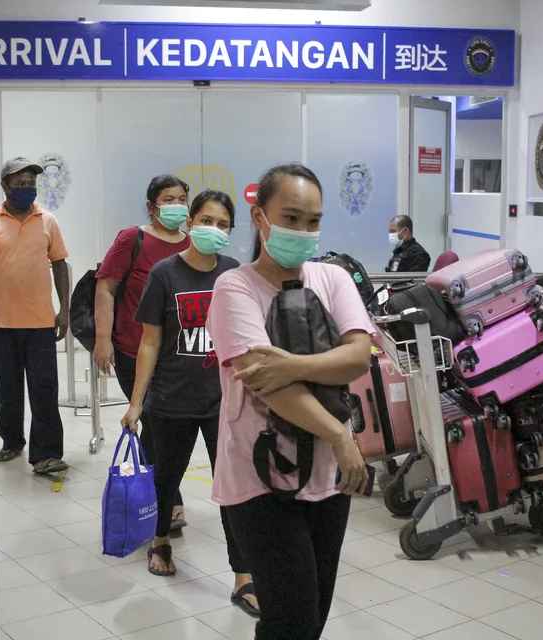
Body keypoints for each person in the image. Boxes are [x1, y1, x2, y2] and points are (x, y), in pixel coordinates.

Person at [206, 163, 374, 640]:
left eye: (313, 220)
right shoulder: (235, 287)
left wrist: (295, 364)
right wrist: (340, 433)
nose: (303, 231)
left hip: (328, 476)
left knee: (313, 615)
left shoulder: (333, 279)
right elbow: (268, 385)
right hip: (259, 478)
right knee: (290, 619)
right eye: (292, 217)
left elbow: (359, 356)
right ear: (260, 219)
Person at [119, 190, 259, 617]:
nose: (213, 229)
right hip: (171, 400)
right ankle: (160, 540)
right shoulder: (164, 273)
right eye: (206, 220)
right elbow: (150, 341)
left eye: (222, 223)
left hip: (223, 402)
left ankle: (243, 575)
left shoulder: (234, 273)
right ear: (190, 223)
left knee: (235, 489)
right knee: (167, 479)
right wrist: (136, 403)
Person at [93, 175, 190, 530]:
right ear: (151, 206)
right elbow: (106, 287)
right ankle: (167, 503)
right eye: (169, 199)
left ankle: (160, 500)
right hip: (135, 349)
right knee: (155, 426)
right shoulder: (131, 239)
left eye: (182, 198)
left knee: (164, 427)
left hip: (177, 356)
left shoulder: (193, 243)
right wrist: (102, 339)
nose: (177, 205)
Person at [0, 157, 70, 474]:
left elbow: (60, 264)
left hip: (41, 323)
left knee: (44, 390)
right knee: (8, 389)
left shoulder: (48, 221)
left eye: (30, 183)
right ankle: (11, 442)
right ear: (5, 186)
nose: (26, 188)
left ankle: (46, 453)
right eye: (19, 183)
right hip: (2, 324)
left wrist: (64, 309)